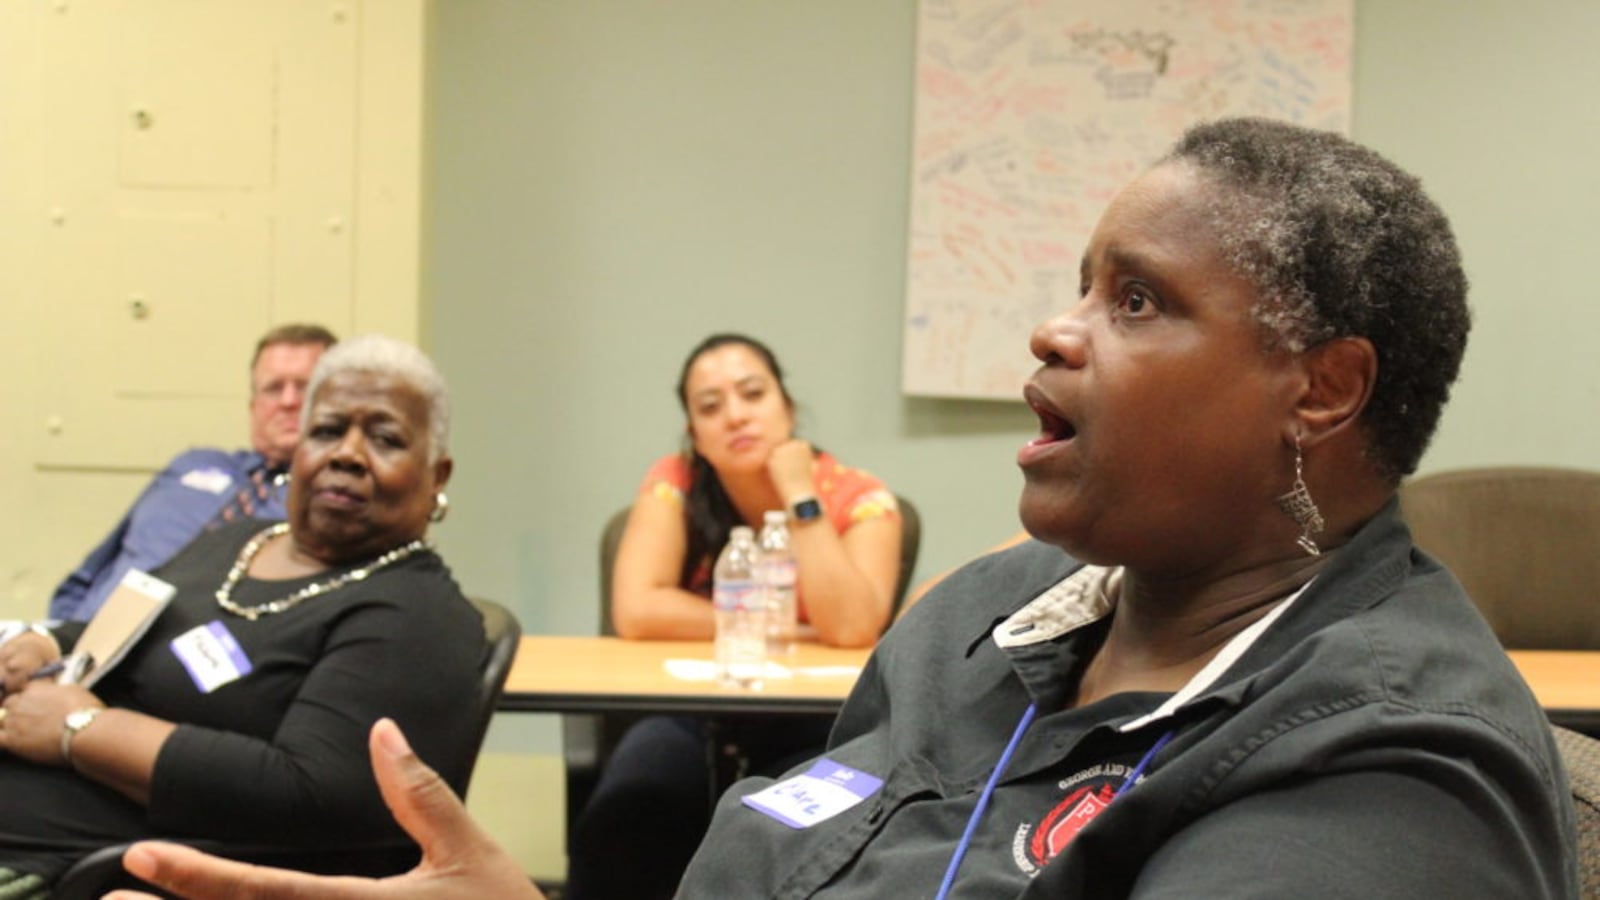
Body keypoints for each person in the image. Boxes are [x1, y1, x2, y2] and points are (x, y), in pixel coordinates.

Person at [102, 117, 1578, 899]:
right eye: (1077, 284)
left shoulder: (1388, 764)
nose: (1056, 334)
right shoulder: (978, 623)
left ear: (1321, 391)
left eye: (1138, 300)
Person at [0, 334, 484, 897]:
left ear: (437, 476)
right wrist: (44, 644)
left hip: (103, 868)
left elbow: (312, 793)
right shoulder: (236, 542)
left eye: (385, 439)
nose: (347, 454)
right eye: (327, 431)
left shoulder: (416, 613)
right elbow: (122, 630)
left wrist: (82, 731)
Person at [566, 332, 903, 899]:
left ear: (788, 408)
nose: (736, 417)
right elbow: (639, 609)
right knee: (628, 812)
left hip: (819, 721)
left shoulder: (861, 497)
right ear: (693, 432)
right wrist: (784, 628)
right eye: (710, 407)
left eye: (753, 394)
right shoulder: (675, 482)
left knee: (798, 837)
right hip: (692, 712)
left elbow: (851, 628)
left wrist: (799, 492)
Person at [48, 323, 338, 623]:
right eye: (273, 388)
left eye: (304, 387)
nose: (288, 401)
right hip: (79, 640)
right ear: (254, 406)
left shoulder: (333, 501)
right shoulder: (192, 464)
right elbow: (89, 574)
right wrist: (58, 636)